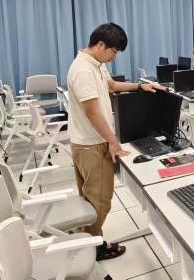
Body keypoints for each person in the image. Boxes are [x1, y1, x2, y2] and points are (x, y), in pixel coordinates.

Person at [67, 23, 164, 261]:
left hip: (87, 142)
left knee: (90, 200)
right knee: (100, 202)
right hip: (92, 144)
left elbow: (111, 86)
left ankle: (87, 242)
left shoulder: (96, 64)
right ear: (100, 45)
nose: (114, 57)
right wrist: (112, 141)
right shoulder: (83, 70)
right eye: (113, 51)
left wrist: (140, 86)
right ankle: (91, 249)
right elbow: (92, 112)